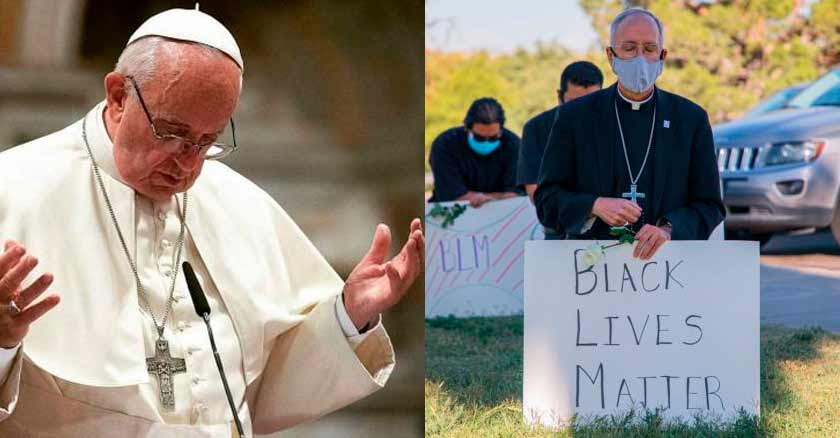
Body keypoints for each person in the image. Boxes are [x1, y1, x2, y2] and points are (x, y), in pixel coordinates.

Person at [0, 7, 422, 437]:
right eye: (170, 133)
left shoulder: (236, 202)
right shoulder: (13, 190)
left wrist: (349, 317)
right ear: (118, 96)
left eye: (207, 142)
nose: (187, 165)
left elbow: (266, 391)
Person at [535, 7, 724, 259]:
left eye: (649, 48)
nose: (640, 58)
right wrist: (594, 205)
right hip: (592, 271)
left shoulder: (690, 119)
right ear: (611, 55)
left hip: (669, 268)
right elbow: (547, 200)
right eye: (629, 48)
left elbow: (710, 204)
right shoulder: (575, 117)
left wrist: (668, 229)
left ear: (662, 55)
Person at [517, 61, 603, 239]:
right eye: (574, 103)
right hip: (560, 230)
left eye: (591, 102)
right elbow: (536, 194)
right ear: (559, 96)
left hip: (607, 230)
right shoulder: (536, 128)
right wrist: (591, 206)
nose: (582, 111)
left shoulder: (612, 125)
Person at [428, 97, 521, 207]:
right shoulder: (445, 145)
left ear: (501, 130)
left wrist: (485, 199)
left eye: (493, 138)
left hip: (501, 213)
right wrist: (496, 198)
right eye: (479, 138)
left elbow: (514, 194)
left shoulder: (513, 145)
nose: (486, 142)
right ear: (467, 128)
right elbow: (451, 195)